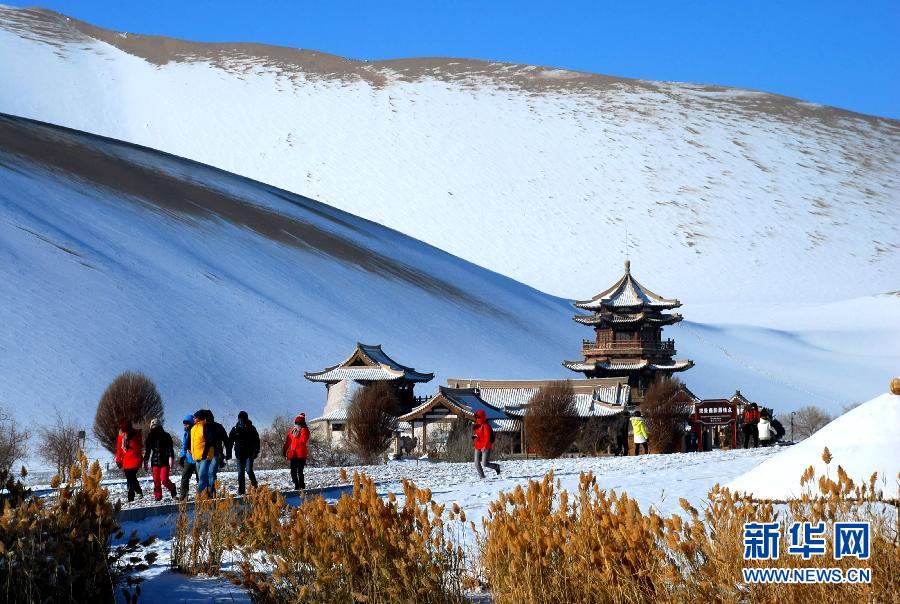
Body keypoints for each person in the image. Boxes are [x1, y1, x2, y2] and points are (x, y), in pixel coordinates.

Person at [143, 418, 177, 501]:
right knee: (156, 480)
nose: (155, 429)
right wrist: (145, 461)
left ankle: (172, 488)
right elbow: (147, 451)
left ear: (159, 426)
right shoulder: (150, 437)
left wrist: (171, 457)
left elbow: (170, 448)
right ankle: (158, 496)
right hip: (154, 462)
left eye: (156, 427)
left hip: (165, 461)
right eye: (153, 427)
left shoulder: (166, 435)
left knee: (164, 479)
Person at [228, 410, 260, 495]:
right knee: (240, 473)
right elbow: (230, 441)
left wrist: (256, 451)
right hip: (239, 454)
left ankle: (254, 484)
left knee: (249, 470)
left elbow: (257, 440)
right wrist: (229, 453)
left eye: (242, 418)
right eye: (240, 418)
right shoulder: (235, 429)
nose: (241, 420)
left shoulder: (251, 428)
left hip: (249, 454)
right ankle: (241, 491)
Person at [115, 420, 144, 502]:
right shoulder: (121, 436)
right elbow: (119, 449)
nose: (125, 431)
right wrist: (118, 460)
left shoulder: (136, 433)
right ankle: (137, 492)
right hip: (126, 460)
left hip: (135, 458)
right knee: (130, 478)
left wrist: (131, 438)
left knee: (131, 478)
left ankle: (132, 495)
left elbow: (139, 446)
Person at [191, 409, 216, 497]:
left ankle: (200, 496)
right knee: (201, 477)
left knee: (202, 476)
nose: (193, 419)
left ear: (199, 418)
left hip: (205, 457)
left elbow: (210, 441)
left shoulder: (205, 427)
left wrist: (205, 454)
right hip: (197, 457)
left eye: (195, 417)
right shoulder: (193, 428)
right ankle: (209, 494)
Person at [204, 410, 231, 489]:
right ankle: (210, 492)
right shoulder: (218, 426)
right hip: (215, 453)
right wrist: (228, 453)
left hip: (211, 454)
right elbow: (226, 440)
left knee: (209, 473)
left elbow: (226, 440)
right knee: (211, 473)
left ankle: (210, 493)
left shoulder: (203, 427)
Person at [284, 413, 310, 490]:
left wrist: (303, 429)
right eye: (296, 423)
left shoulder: (305, 431)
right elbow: (288, 441)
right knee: (293, 472)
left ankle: (301, 486)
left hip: (301, 455)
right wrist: (285, 449)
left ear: (302, 423)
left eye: (298, 423)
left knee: (300, 471)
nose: (297, 425)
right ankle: (296, 484)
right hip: (293, 454)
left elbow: (304, 440)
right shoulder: (292, 431)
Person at [472, 409, 500, 478]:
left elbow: (487, 437)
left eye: (478, 417)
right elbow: (477, 434)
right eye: (476, 417)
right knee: (476, 463)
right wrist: (474, 436)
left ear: (482, 417)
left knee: (485, 463)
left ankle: (496, 466)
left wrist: (484, 446)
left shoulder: (486, 426)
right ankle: (482, 477)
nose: (477, 418)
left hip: (486, 446)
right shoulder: (476, 425)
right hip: (478, 446)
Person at [178, 414, 196, 500]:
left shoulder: (196, 432)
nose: (186, 425)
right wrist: (182, 457)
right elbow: (184, 446)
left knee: (200, 478)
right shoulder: (186, 434)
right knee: (184, 477)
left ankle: (204, 494)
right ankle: (183, 496)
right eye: (184, 424)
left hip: (198, 459)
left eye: (187, 423)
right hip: (189, 459)